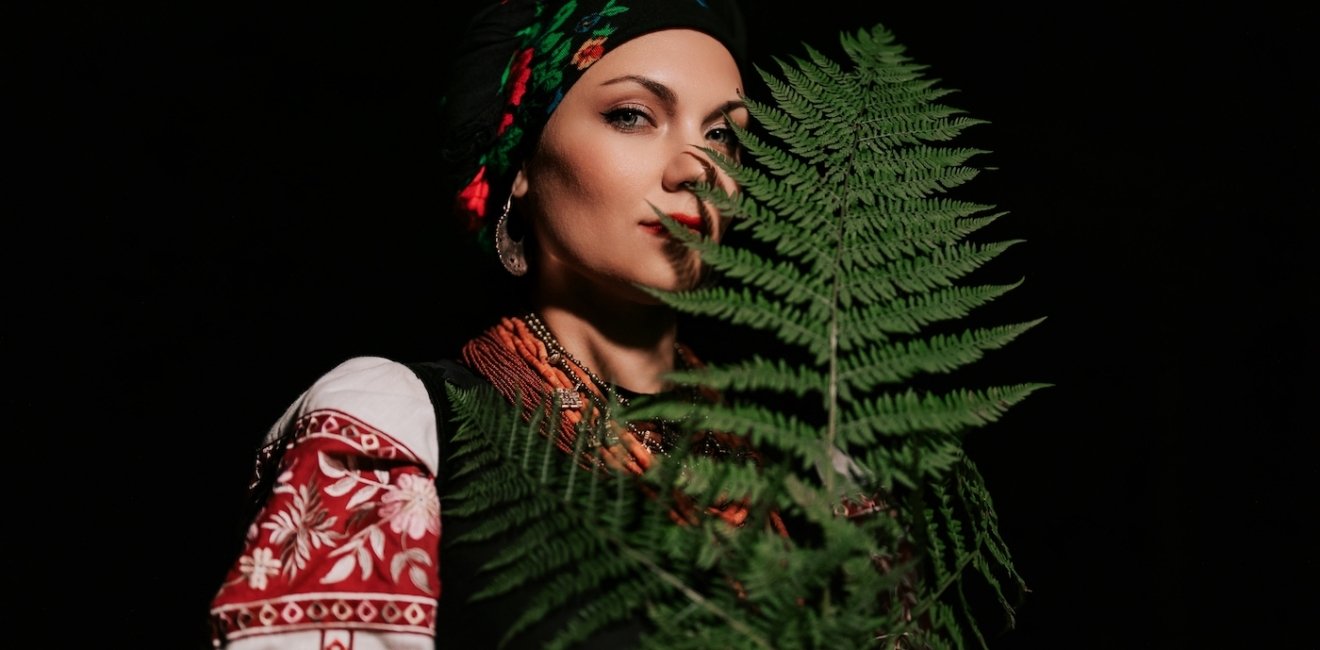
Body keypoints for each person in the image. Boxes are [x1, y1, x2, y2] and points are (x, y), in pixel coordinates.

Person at [205, 1, 756, 647]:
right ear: (522, 166)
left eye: (724, 134)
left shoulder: (816, 468)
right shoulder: (401, 430)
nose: (697, 166)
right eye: (631, 116)